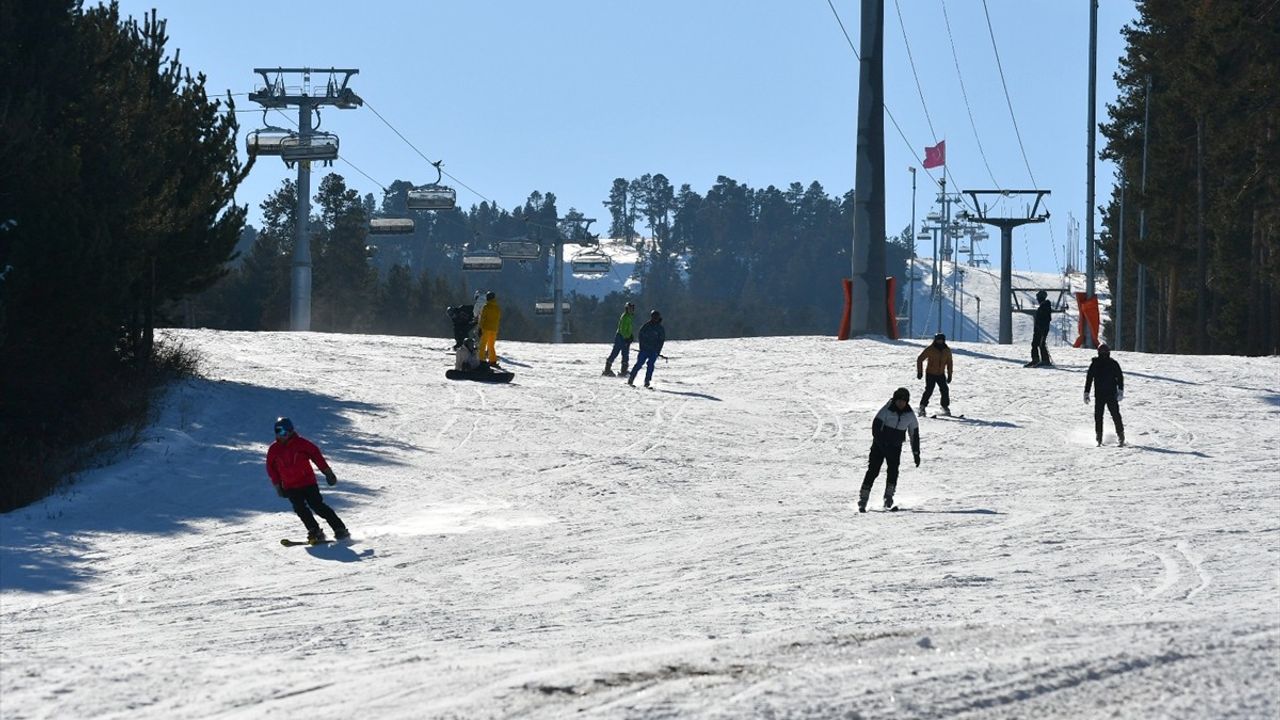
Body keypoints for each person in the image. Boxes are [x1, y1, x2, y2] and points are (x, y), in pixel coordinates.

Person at [266, 417, 349, 544]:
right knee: (300, 509)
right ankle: (315, 531)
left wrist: (328, 472)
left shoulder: (302, 444)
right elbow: (271, 469)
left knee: (317, 506)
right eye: (277, 432)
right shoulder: (274, 449)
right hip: (290, 486)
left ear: (290, 431)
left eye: (283, 432)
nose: (280, 436)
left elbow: (317, 457)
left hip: (308, 483)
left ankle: (339, 528)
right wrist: (278, 486)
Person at [859, 387, 921, 512]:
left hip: (895, 448)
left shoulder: (909, 415)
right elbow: (876, 426)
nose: (901, 403)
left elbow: (914, 434)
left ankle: (888, 497)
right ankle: (863, 498)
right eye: (899, 400)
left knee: (893, 472)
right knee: (873, 470)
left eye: (903, 401)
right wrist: (881, 442)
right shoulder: (887, 409)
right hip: (879, 446)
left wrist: (916, 453)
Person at [1084, 343, 1126, 446]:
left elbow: (1120, 377)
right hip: (1100, 395)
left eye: (1105, 353)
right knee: (1099, 416)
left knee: (1114, 415)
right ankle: (1099, 436)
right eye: (1102, 353)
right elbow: (1089, 379)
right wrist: (1086, 392)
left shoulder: (1113, 364)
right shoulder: (1096, 364)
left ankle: (1120, 435)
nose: (1103, 355)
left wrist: (1120, 390)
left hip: (1111, 394)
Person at [916, 332, 953, 417]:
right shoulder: (930, 349)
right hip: (930, 373)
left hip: (940, 374)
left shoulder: (947, 350)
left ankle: (944, 406)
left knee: (944, 390)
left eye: (941, 340)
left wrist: (950, 374)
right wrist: (920, 372)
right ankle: (922, 407)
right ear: (935, 340)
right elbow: (920, 359)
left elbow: (949, 363)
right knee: (929, 390)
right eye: (938, 340)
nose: (939, 342)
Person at [627, 309, 666, 388]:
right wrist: (642, 346)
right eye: (653, 317)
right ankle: (631, 379)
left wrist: (657, 351)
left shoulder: (660, 328)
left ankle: (647, 381)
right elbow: (640, 336)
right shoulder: (646, 326)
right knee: (639, 364)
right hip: (644, 349)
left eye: (656, 317)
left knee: (650, 365)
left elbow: (661, 341)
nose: (655, 318)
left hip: (653, 351)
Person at [603, 302, 637, 377]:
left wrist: (630, 336)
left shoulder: (629, 317)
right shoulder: (625, 317)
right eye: (630, 308)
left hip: (625, 337)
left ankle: (623, 370)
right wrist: (626, 338)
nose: (631, 310)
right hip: (621, 337)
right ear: (627, 309)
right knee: (615, 352)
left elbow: (628, 329)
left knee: (625, 354)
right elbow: (622, 329)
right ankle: (607, 370)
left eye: (632, 309)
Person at [1028, 289, 1054, 367]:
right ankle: (1035, 360)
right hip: (1038, 328)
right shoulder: (1043, 306)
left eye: (1038, 297)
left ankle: (1045, 360)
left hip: (1042, 329)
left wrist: (1041, 326)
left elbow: (1047, 318)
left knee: (1041, 343)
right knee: (1035, 343)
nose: (1037, 299)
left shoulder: (1045, 306)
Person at [478, 290, 502, 367]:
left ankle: (481, 360)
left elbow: (482, 318)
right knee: (491, 345)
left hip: (486, 328)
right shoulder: (497, 308)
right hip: (494, 329)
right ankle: (492, 360)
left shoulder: (486, 307)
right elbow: (498, 318)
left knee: (482, 344)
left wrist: (480, 328)